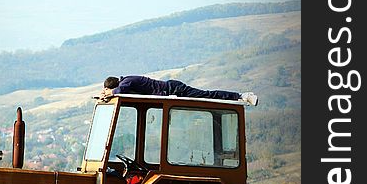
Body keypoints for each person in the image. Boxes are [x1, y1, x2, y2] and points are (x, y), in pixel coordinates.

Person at [100, 75, 258, 106]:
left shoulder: (127, 81)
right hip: (171, 92)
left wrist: (108, 93)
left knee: (207, 95)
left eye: (108, 89)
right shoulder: (126, 85)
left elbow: (119, 91)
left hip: (174, 89)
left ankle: (242, 96)